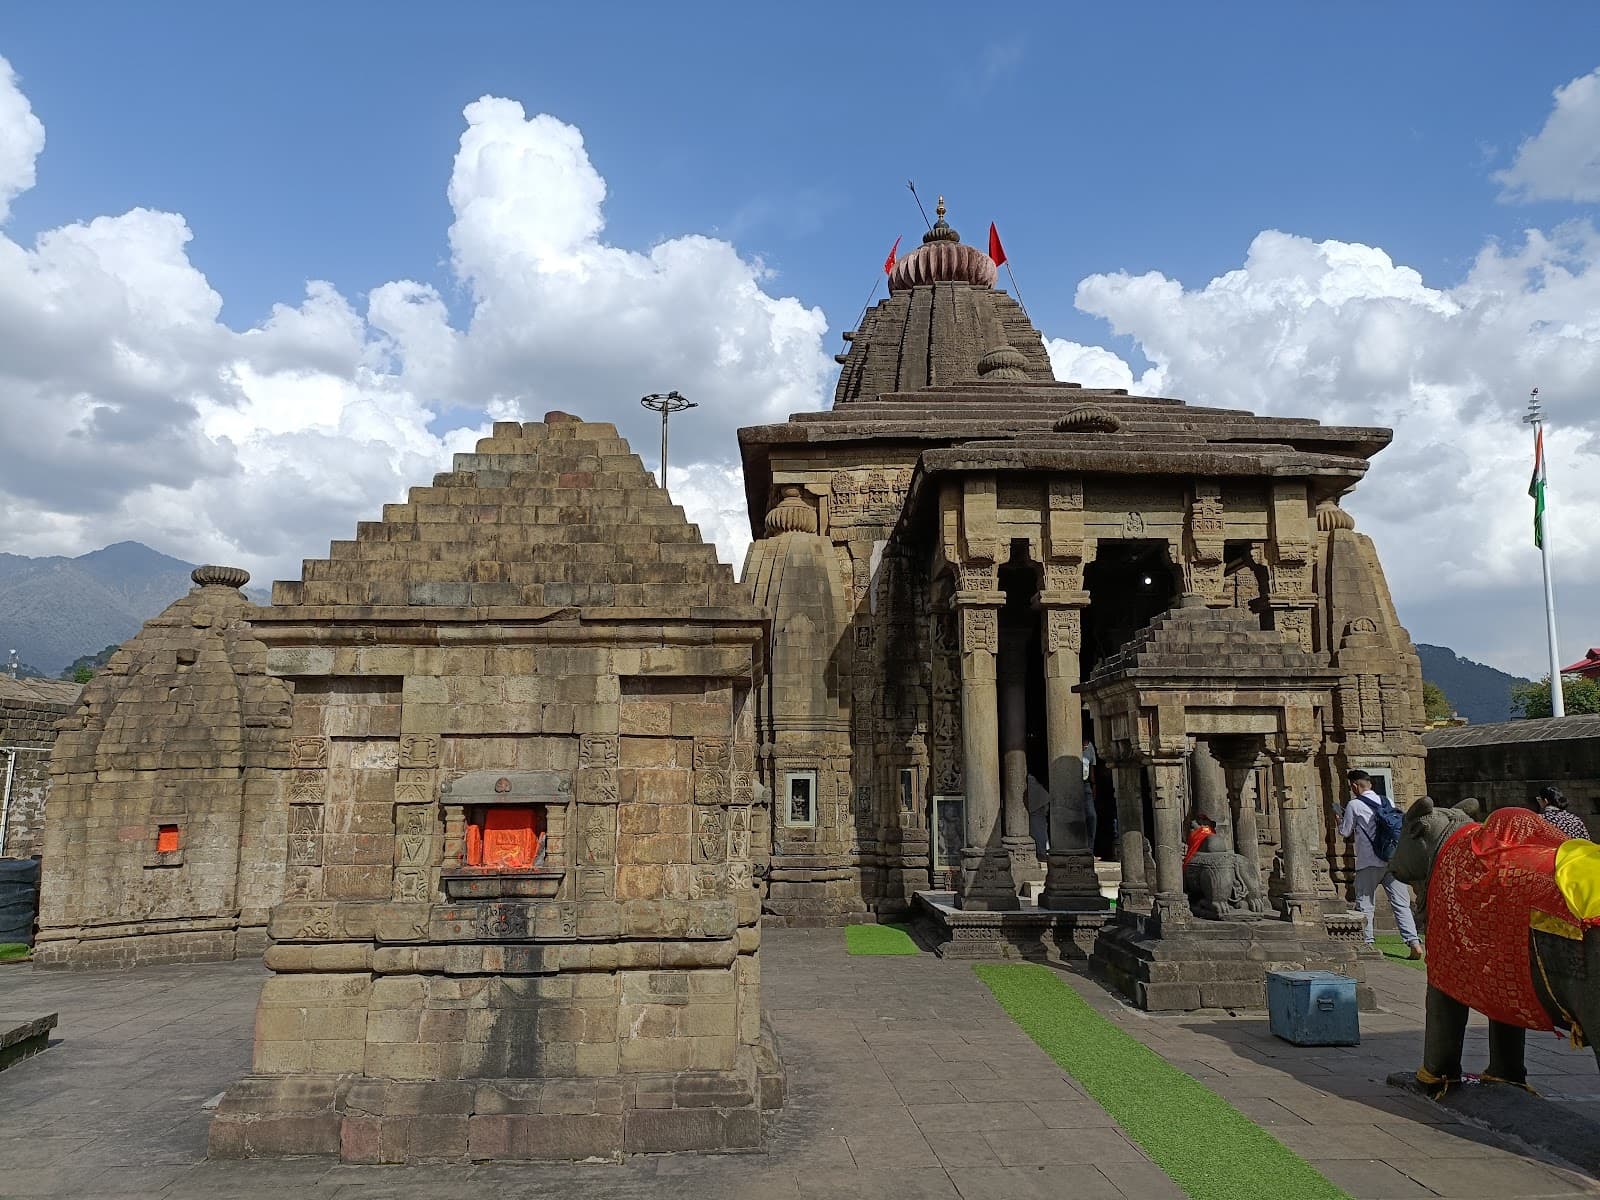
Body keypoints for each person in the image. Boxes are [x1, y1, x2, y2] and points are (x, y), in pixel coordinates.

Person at [1334, 769, 1423, 959]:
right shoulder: (1387, 801)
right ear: (1370, 784)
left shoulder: (1354, 804)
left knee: (1365, 903)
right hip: (1392, 859)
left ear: (1354, 786)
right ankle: (1413, 941)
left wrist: (1339, 821)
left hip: (1368, 861)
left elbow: (1345, 831)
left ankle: (1367, 942)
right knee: (1401, 904)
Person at [1025, 772, 1051, 858]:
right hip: (1040, 790)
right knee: (1040, 824)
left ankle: (1041, 851)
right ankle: (1043, 850)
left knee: (1037, 823)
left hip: (1037, 787)